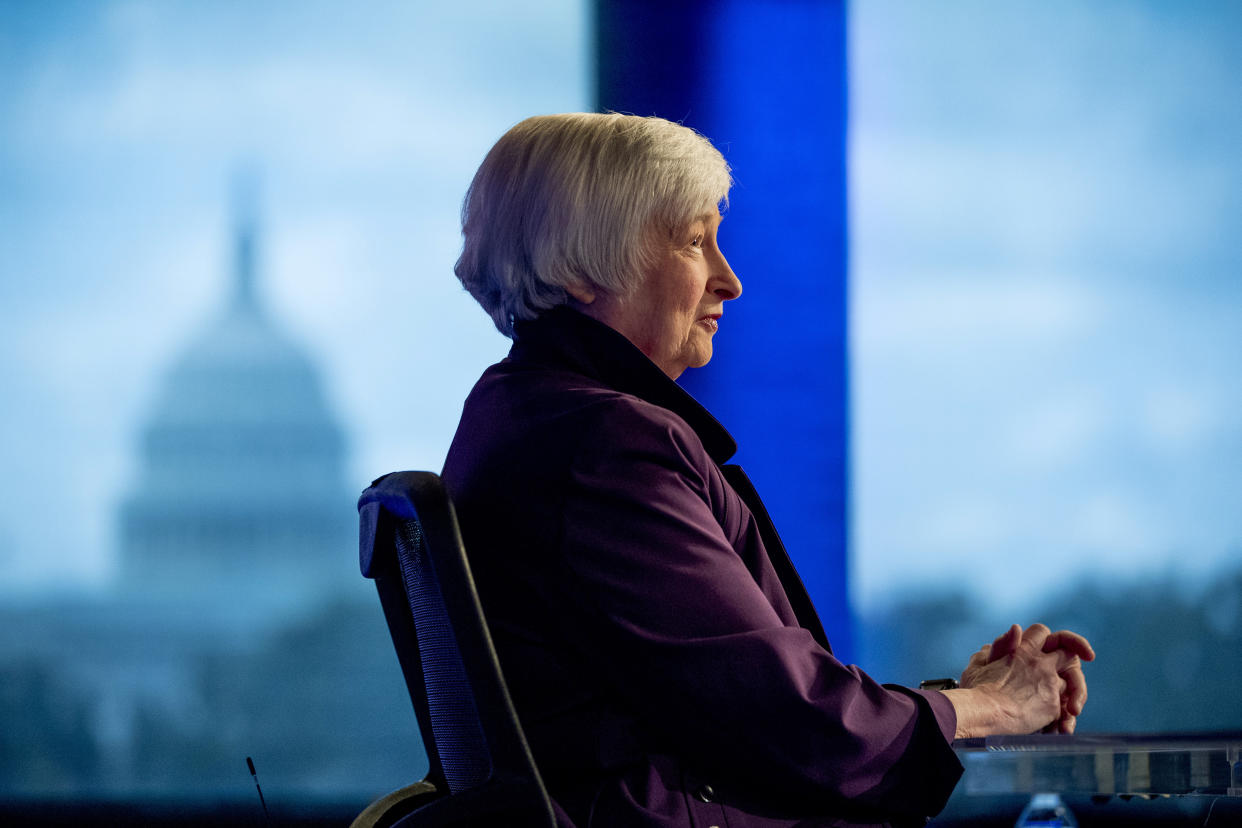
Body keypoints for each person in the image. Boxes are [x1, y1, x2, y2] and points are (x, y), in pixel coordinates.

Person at [441, 113, 1094, 828]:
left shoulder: (520, 412)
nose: (731, 281)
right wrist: (988, 707)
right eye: (695, 242)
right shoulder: (605, 444)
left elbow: (733, 705)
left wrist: (957, 705)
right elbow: (791, 720)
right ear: (578, 268)